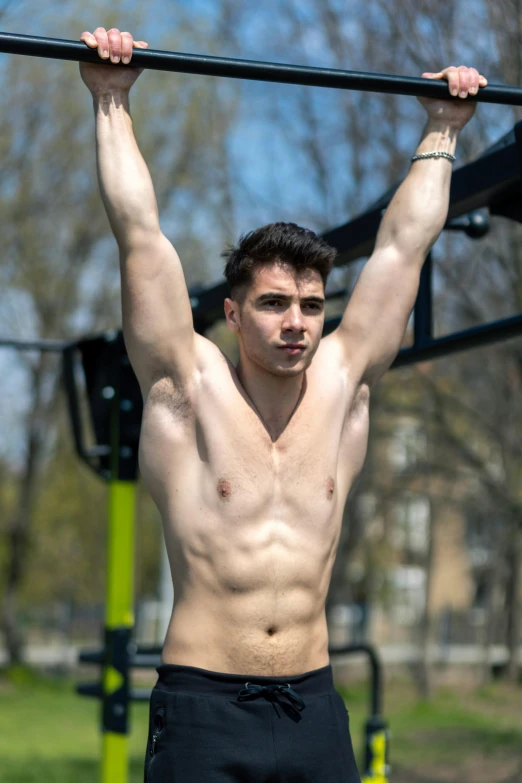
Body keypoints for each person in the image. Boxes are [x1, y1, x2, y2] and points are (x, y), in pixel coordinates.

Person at [79, 27, 486, 783]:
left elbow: (402, 247)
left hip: (314, 706)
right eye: (272, 304)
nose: (295, 322)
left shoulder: (341, 382)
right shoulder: (186, 388)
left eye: (309, 304)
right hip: (202, 709)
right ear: (232, 316)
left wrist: (443, 130)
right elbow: (139, 233)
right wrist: (111, 97)